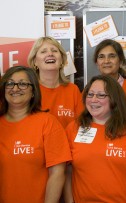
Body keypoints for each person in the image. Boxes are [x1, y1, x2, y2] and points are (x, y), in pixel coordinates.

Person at [64, 75, 126, 202]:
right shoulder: (74, 128)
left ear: (114, 98)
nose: (93, 100)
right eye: (90, 94)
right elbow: (67, 170)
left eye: (101, 95)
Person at [0, 66, 72, 202]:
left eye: (22, 84)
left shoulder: (48, 122)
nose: (15, 88)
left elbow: (57, 173)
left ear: (33, 91)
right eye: (9, 83)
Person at [27, 36, 84, 128]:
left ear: (61, 59)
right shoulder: (29, 91)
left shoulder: (73, 90)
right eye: (43, 51)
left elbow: (82, 125)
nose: (50, 54)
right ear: (35, 61)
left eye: (54, 50)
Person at [93, 39, 126, 114]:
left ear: (120, 62)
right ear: (97, 63)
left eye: (112, 56)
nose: (106, 61)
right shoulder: (89, 90)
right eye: (101, 57)